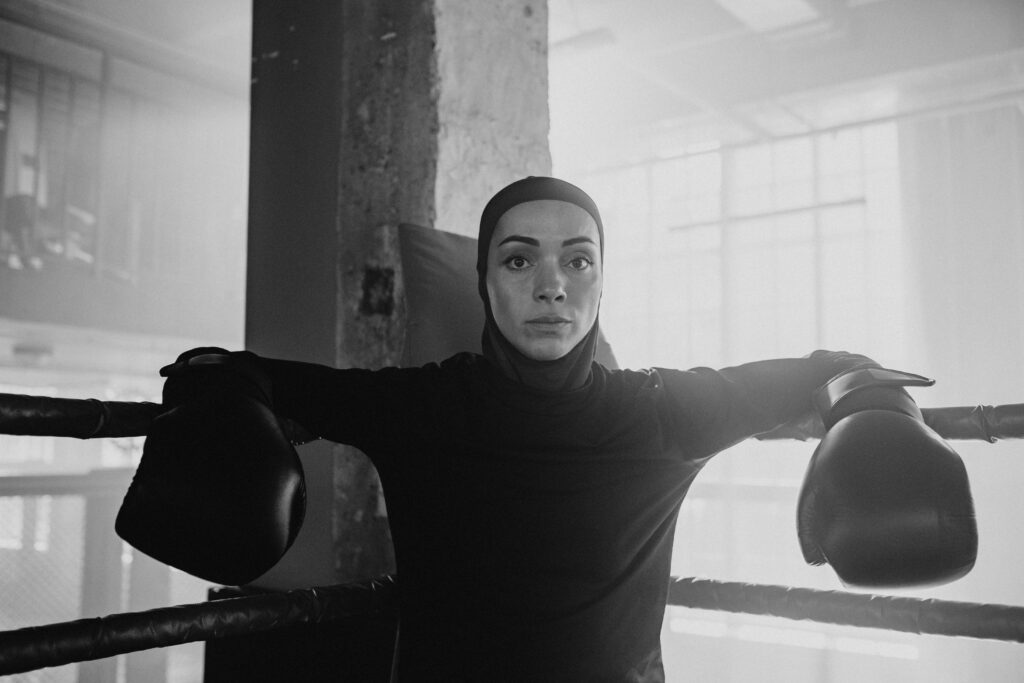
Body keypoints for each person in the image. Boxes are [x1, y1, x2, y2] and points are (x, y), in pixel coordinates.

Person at [170, 177, 878, 681]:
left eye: (577, 259)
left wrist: (877, 407)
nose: (552, 286)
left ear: (601, 280)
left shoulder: (663, 409)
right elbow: (250, 374)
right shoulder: (427, 404)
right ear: (484, 280)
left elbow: (830, 368)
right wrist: (217, 390)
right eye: (519, 259)